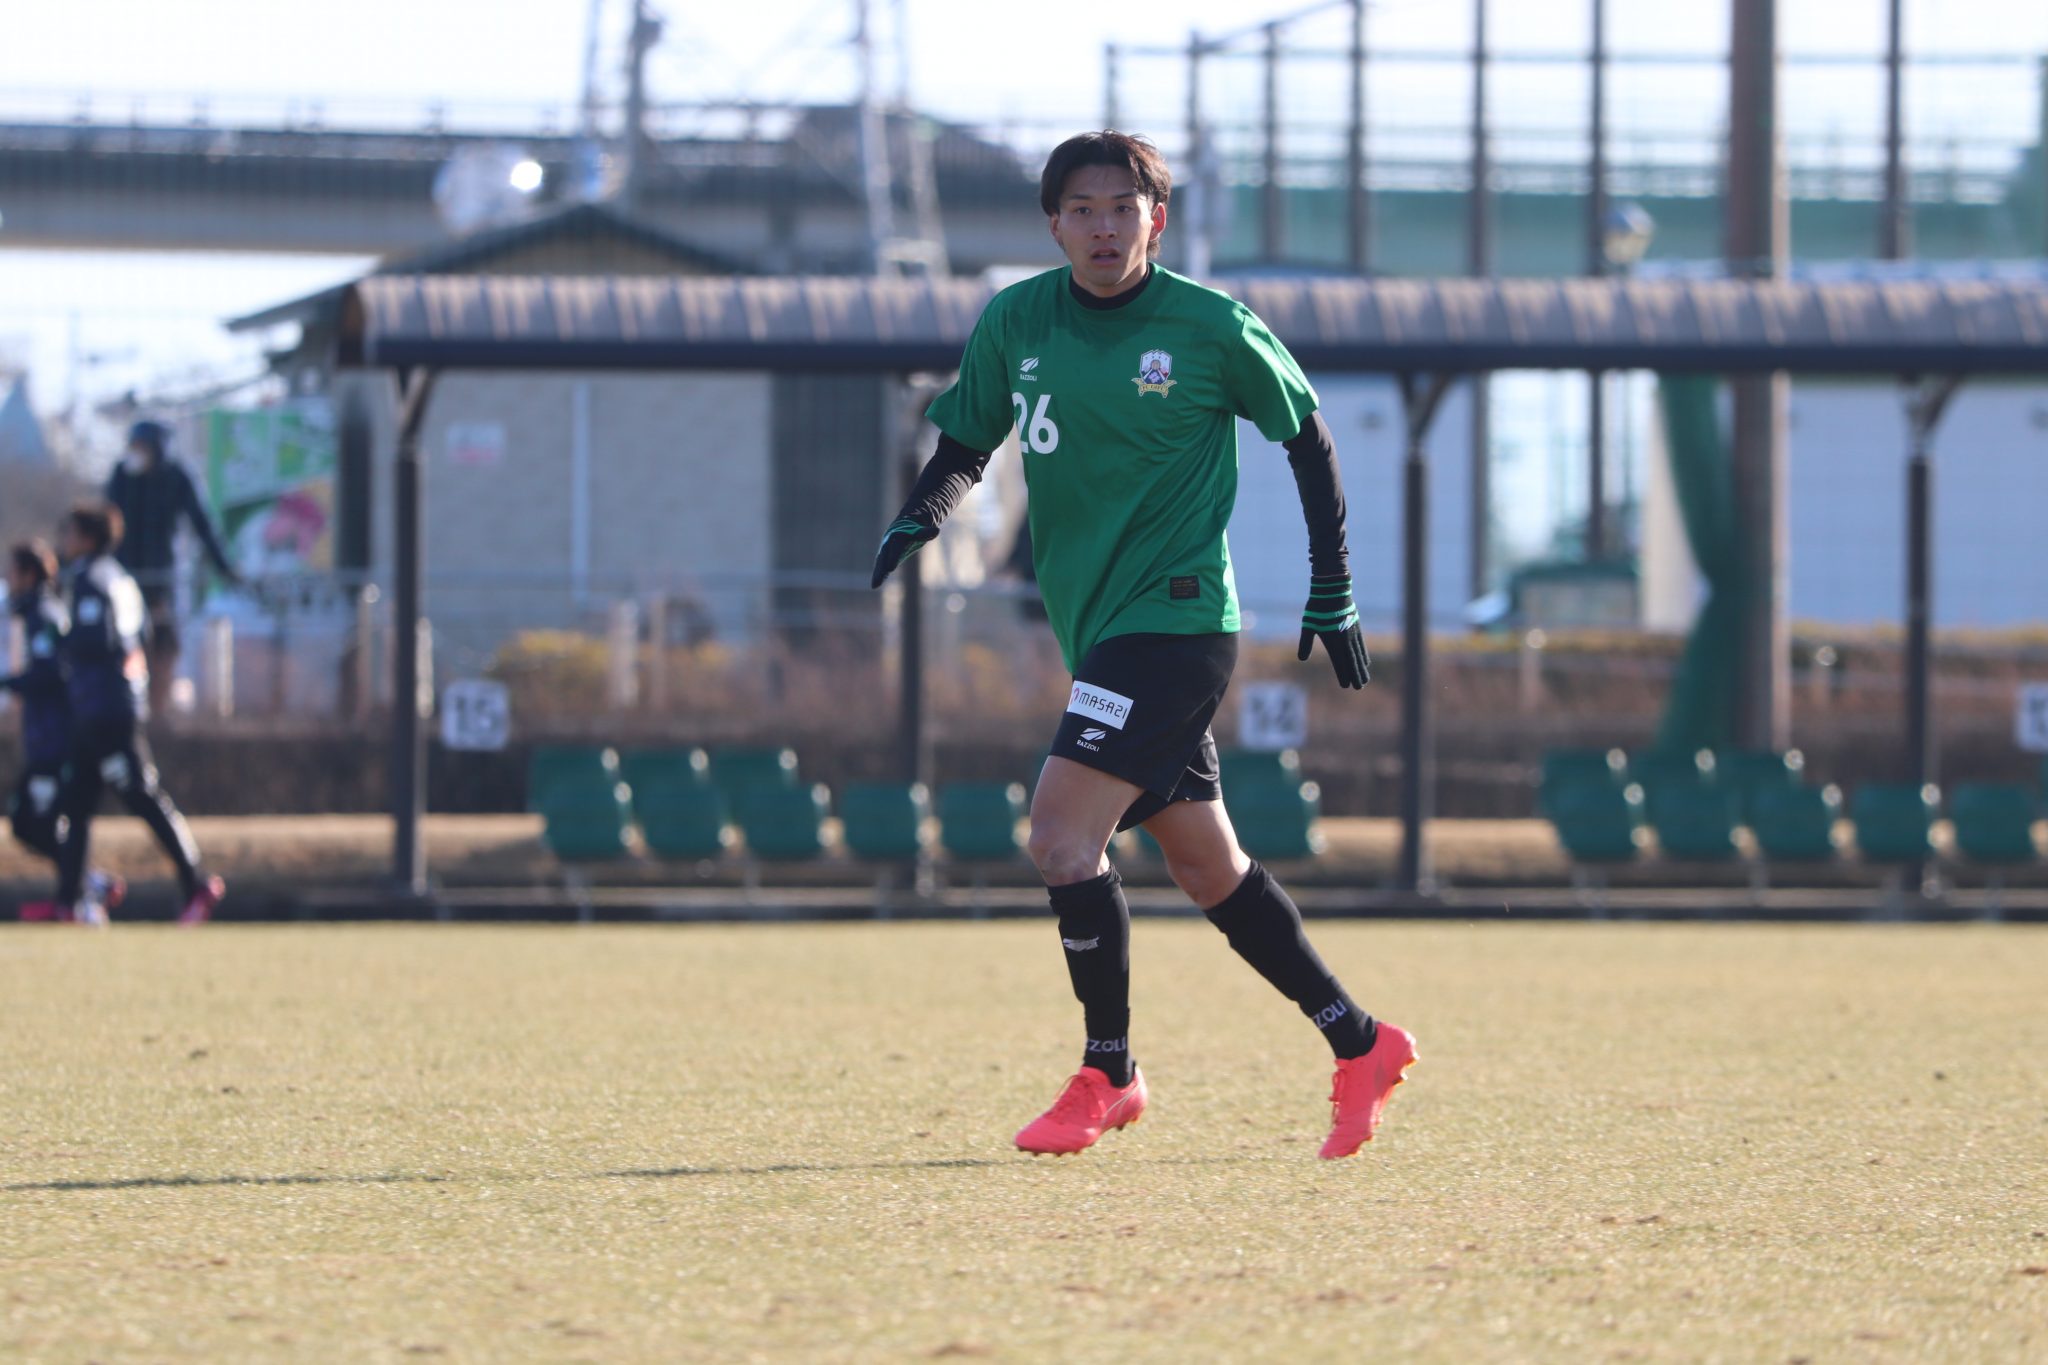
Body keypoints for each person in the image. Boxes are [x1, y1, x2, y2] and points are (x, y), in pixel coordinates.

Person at [871, 131, 1416, 1160]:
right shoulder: (1018, 319)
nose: (1103, 227)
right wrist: (923, 510)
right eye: (1082, 209)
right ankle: (1360, 1041)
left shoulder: (1210, 327)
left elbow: (1305, 436)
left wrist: (1333, 584)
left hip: (1175, 623)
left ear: (1154, 221)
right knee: (1209, 869)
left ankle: (1108, 1071)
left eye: (1122, 208)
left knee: (1058, 837)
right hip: (1100, 631)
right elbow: (969, 439)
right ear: (1053, 224)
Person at [51, 503, 224, 927]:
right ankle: (69, 902)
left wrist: (60, 645)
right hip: (108, 705)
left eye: (71, 532)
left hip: (104, 709)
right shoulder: (122, 579)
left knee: (142, 796)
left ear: (88, 538)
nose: (65, 541)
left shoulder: (90, 580)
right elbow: (142, 634)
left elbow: (96, 639)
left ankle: (196, 882)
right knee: (76, 802)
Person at [3, 541, 125, 922]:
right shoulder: (36, 612)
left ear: (28, 574)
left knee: (32, 820)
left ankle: (83, 893)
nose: (8, 578)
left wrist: (9, 681)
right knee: (32, 820)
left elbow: (52, 674)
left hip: (56, 742)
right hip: (47, 739)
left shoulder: (45, 614)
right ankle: (84, 887)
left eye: (12, 571)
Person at [105, 419, 239, 717]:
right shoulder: (121, 476)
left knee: (163, 645)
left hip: (162, 579)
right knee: (125, 645)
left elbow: (202, 524)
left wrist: (224, 567)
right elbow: (105, 524)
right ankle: (130, 709)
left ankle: (159, 709)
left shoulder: (176, 476)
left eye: (142, 446)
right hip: (124, 580)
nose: (136, 452)